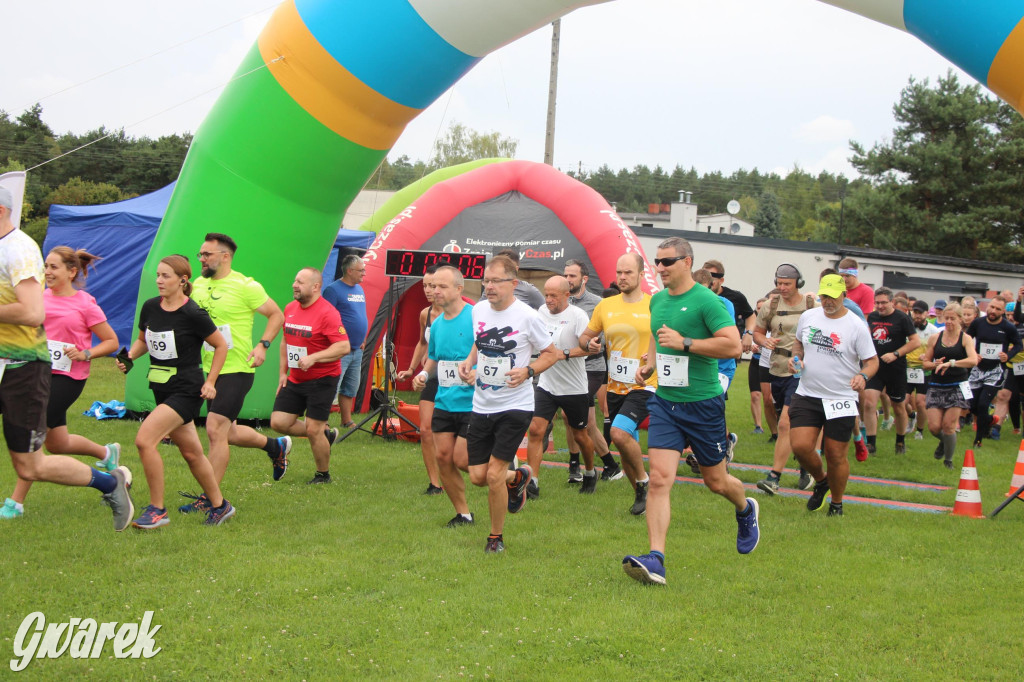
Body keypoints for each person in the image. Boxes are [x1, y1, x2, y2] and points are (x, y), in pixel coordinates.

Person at [622, 237, 756, 586]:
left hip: (703, 404)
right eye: (657, 261)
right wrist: (648, 364)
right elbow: (656, 335)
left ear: (687, 262)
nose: (660, 268)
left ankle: (745, 509)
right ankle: (656, 559)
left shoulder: (708, 302)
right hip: (666, 401)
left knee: (716, 481)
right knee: (660, 480)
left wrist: (686, 343)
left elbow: (732, 345)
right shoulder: (658, 301)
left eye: (667, 262)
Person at [0, 187, 133, 531]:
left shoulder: (22, 252)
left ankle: (104, 482)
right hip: (15, 365)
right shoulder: (21, 271)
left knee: (34, 457)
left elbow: (33, 313)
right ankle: (105, 459)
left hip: (42, 373)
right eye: (48, 267)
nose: (49, 271)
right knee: (56, 442)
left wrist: (86, 352)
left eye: (55, 267)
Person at [117, 255, 234, 528]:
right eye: (157, 275)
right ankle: (220, 506)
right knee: (192, 452)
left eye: (165, 276)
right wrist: (128, 357)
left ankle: (157, 510)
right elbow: (143, 340)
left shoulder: (193, 313)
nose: (159, 280)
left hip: (186, 389)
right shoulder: (150, 307)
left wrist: (211, 382)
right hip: (160, 386)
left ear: (182, 281)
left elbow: (221, 345)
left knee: (145, 440)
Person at [457, 255, 559, 553]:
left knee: (492, 475)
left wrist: (528, 371)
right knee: (477, 475)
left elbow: (551, 354)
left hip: (516, 404)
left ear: (513, 284)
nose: (488, 286)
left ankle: (495, 537)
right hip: (482, 403)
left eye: (495, 281)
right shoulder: (478, 311)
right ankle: (519, 477)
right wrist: (469, 362)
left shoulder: (527, 316)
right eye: (485, 281)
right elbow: (480, 341)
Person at [178, 233, 287, 514]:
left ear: (225, 257)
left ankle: (210, 499)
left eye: (206, 255)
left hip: (237, 368)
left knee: (215, 429)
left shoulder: (245, 286)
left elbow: (276, 314)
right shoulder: (198, 286)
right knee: (230, 432)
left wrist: (263, 345)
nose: (200, 259)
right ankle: (274, 447)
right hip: (207, 368)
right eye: (200, 254)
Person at [787, 275, 878, 517]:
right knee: (800, 447)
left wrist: (863, 377)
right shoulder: (809, 317)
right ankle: (822, 480)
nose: (827, 301)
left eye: (833, 296)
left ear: (844, 296)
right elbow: (798, 344)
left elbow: (872, 361)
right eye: (824, 296)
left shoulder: (856, 326)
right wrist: (796, 360)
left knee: (836, 454)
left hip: (841, 397)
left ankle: (836, 503)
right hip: (808, 393)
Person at [579, 252, 654, 516]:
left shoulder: (653, 305)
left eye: (628, 273)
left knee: (618, 433)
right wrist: (589, 343)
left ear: (641, 275)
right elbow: (586, 337)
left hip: (646, 383)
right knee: (624, 446)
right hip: (616, 385)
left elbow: (668, 338)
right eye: (619, 273)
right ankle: (641, 498)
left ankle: (645, 483)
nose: (622, 277)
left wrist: (653, 359)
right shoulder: (606, 305)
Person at [270, 268, 351, 483]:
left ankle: (322, 475)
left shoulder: (327, 313)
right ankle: (325, 435)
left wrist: (315, 358)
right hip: (296, 378)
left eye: (300, 282)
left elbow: (343, 346)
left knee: (313, 428)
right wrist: (282, 373)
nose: (294, 285)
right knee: (278, 422)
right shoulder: (290, 308)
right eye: (295, 280)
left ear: (316, 287)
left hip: (322, 379)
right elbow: (286, 341)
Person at [411, 265, 476, 527]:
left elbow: (489, 350)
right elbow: (434, 359)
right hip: (444, 399)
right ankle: (464, 514)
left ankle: (508, 472)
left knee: (463, 459)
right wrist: (424, 375)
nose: (434, 291)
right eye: (432, 286)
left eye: (441, 286)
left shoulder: (475, 317)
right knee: (443, 457)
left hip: (473, 401)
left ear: (459, 289)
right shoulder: (436, 325)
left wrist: (475, 371)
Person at [525, 276, 595, 496]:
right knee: (536, 429)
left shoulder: (578, 316)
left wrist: (562, 354)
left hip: (574, 388)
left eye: (553, 295)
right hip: (547, 384)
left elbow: (588, 349)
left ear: (567, 295)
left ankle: (591, 472)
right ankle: (532, 482)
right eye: (546, 294)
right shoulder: (541, 313)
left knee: (580, 435)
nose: (548, 299)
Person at [753, 264, 817, 494]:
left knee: (785, 423)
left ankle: (774, 477)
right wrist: (763, 342)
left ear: (798, 283)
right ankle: (808, 465)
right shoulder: (771, 305)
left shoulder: (811, 305)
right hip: (776, 368)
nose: (782, 288)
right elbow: (758, 332)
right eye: (779, 283)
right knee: (793, 425)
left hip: (802, 371)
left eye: (787, 284)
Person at [563, 259, 617, 482]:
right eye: (565, 275)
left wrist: (594, 344)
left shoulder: (597, 303)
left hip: (591, 368)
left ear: (584, 279)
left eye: (572, 276)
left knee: (570, 413)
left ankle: (576, 466)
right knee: (587, 422)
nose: (568, 280)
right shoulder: (560, 302)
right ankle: (610, 465)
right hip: (568, 368)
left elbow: (603, 338)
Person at [395, 266, 444, 494]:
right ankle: (435, 483)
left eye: (433, 285)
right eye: (425, 285)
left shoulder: (465, 312)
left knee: (457, 435)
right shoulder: (425, 314)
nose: (428, 290)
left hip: (459, 378)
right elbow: (422, 343)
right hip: (432, 376)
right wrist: (412, 369)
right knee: (425, 430)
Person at [863, 287, 920, 455]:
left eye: (884, 303)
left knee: (898, 406)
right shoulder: (872, 317)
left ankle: (900, 441)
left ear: (892, 302)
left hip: (895, 368)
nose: (880, 306)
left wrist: (896, 354)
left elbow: (915, 342)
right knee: (868, 403)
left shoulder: (902, 318)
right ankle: (871, 443)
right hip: (875, 366)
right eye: (877, 303)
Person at [921, 303, 978, 468]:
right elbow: (925, 363)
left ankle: (949, 460)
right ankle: (945, 442)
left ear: (960, 319)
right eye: (947, 318)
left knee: (948, 426)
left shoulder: (965, 339)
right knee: (933, 427)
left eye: (953, 318)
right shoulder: (935, 338)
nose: (949, 322)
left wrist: (951, 363)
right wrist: (935, 364)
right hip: (936, 385)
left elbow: (973, 360)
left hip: (957, 386)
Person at [966, 296, 1021, 448]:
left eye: (998, 309)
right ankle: (989, 420)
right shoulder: (978, 323)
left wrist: (1007, 355)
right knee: (971, 405)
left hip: (996, 371)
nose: (993, 311)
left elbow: (1018, 345)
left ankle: (979, 440)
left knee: (983, 404)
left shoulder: (1008, 327)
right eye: (992, 307)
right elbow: (967, 339)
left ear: (1003, 312)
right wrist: (973, 353)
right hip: (978, 368)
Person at [322, 255, 369, 430]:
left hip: (356, 349)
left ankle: (346, 420)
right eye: (361, 270)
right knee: (332, 386)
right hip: (340, 349)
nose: (364, 273)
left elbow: (359, 315)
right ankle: (322, 421)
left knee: (350, 387)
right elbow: (325, 318)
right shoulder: (333, 290)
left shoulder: (359, 290)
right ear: (349, 271)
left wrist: (361, 337)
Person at [702, 259, 756, 354]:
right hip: (704, 350)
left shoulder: (735, 297)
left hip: (726, 355)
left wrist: (748, 334)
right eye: (704, 276)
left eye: (712, 277)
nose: (707, 281)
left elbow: (751, 316)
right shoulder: (696, 296)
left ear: (721, 280)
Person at [905, 299, 940, 440]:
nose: (917, 315)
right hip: (907, 369)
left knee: (920, 402)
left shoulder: (934, 332)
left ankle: (919, 431)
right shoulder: (907, 327)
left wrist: (928, 356)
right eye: (915, 312)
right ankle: (911, 416)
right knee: (902, 401)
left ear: (926, 313)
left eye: (920, 313)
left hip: (924, 371)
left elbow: (939, 351)